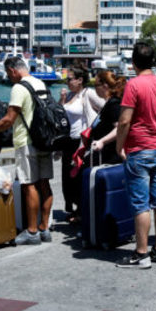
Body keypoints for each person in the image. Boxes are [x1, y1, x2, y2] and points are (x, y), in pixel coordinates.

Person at [0, 56, 53, 245]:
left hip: (27, 141)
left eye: (9, 75)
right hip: (45, 140)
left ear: (12, 70)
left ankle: (32, 232)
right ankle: (44, 228)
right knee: (44, 184)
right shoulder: (40, 83)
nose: (9, 78)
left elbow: (9, 119)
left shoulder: (19, 87)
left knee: (29, 184)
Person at [113, 42, 156, 268]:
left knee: (140, 204)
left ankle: (141, 254)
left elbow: (124, 121)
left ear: (133, 62)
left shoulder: (134, 85)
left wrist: (119, 146)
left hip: (139, 150)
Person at [59, 65, 101, 223]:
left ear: (80, 80)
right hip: (67, 141)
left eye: (69, 79)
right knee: (66, 177)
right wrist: (62, 100)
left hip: (81, 141)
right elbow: (61, 113)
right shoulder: (69, 94)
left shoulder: (87, 94)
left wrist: (94, 129)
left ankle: (81, 211)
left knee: (77, 176)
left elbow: (105, 108)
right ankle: (73, 208)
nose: (67, 82)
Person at [88, 71, 126, 164]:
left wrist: (102, 141)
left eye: (96, 85)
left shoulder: (113, 103)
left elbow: (119, 128)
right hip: (105, 153)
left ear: (104, 86)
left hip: (110, 155)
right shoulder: (108, 103)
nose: (95, 89)